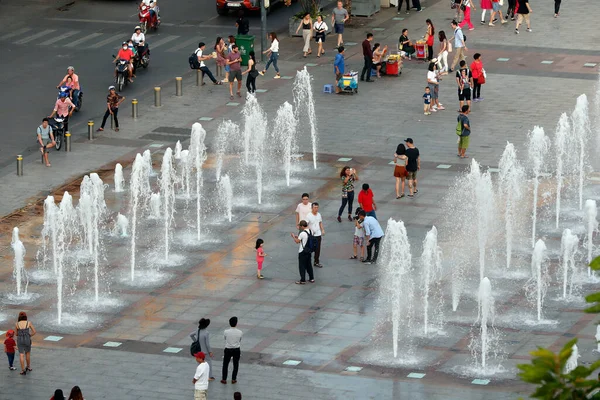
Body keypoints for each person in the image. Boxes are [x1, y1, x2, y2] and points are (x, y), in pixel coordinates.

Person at [221, 316, 243, 384]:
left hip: (228, 349)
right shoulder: (240, 332)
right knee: (236, 364)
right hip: (236, 349)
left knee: (225, 364)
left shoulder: (226, 331)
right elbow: (240, 340)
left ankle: (224, 379)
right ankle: (233, 379)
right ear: (236, 323)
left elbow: (225, 338)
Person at [15, 311, 35, 375]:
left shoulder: (17, 324)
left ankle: (23, 370)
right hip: (27, 340)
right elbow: (34, 331)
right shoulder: (28, 323)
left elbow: (16, 334)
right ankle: (28, 367)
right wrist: (29, 335)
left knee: (21, 354)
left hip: (20, 340)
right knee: (28, 353)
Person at [306, 202, 324, 268]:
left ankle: (316, 261)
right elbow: (306, 225)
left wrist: (322, 230)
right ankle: (307, 261)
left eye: (317, 207)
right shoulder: (308, 216)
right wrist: (310, 231)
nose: (316, 209)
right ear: (312, 208)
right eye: (315, 207)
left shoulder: (319, 214)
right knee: (310, 248)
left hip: (318, 234)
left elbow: (320, 223)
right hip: (311, 236)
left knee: (318, 249)